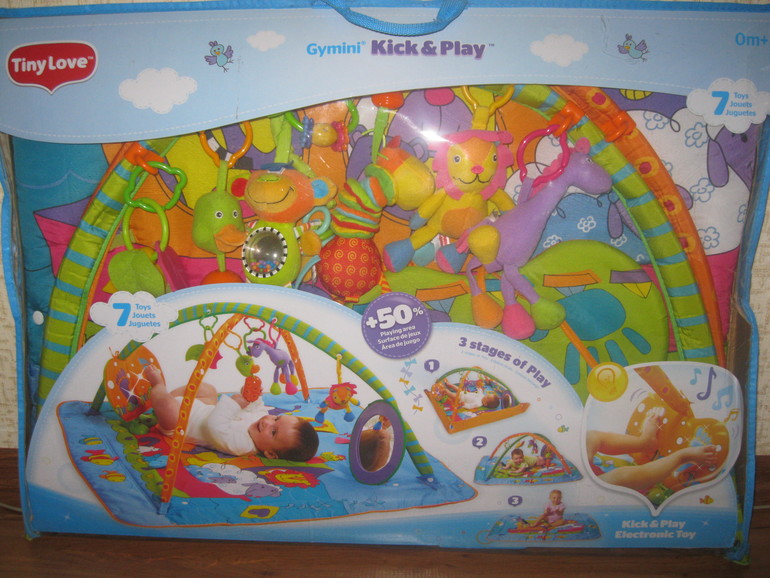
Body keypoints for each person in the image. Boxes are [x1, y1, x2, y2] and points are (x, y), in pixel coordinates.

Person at [145, 365, 318, 462]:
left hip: (180, 425)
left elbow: (215, 426)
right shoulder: (261, 421)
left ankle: (159, 386)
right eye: (276, 418)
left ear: (270, 454)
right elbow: (256, 407)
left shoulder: (242, 446)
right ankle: (171, 396)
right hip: (204, 407)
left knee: (169, 409)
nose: (268, 422)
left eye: (273, 432)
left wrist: (234, 403)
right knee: (208, 390)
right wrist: (252, 395)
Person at [585, 409, 718, 493]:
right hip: (592, 492)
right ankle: (682, 457)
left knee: (591, 437)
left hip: (582, 470)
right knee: (617, 479)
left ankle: (645, 443)